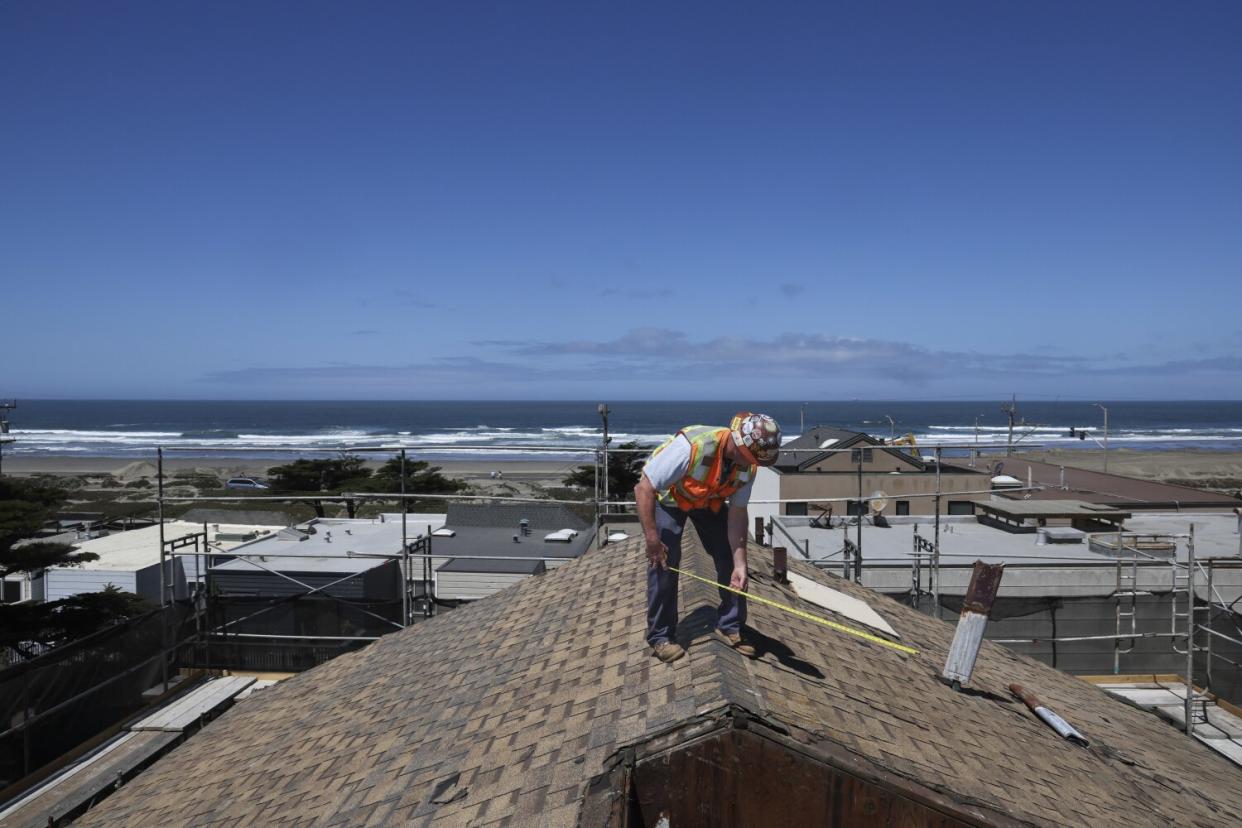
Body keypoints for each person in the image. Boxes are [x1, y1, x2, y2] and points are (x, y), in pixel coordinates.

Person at [634, 411, 781, 664]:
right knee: (664, 561)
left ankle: (730, 625)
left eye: (753, 458)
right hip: (669, 500)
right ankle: (661, 636)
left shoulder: (749, 466)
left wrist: (741, 564)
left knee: (729, 555)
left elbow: (737, 515)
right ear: (736, 439)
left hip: (707, 501)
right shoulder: (690, 448)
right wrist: (652, 539)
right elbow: (643, 488)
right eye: (746, 455)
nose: (747, 461)